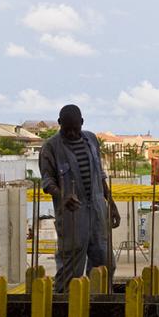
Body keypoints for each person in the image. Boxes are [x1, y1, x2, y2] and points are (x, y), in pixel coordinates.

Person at [39, 104, 120, 292]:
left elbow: (100, 175)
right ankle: (64, 307)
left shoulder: (91, 140)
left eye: (76, 129)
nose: (73, 134)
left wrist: (111, 204)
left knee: (105, 263)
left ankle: (99, 305)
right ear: (59, 123)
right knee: (71, 268)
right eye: (67, 130)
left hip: (98, 210)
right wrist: (63, 195)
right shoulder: (50, 147)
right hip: (72, 214)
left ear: (82, 123)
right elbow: (47, 180)